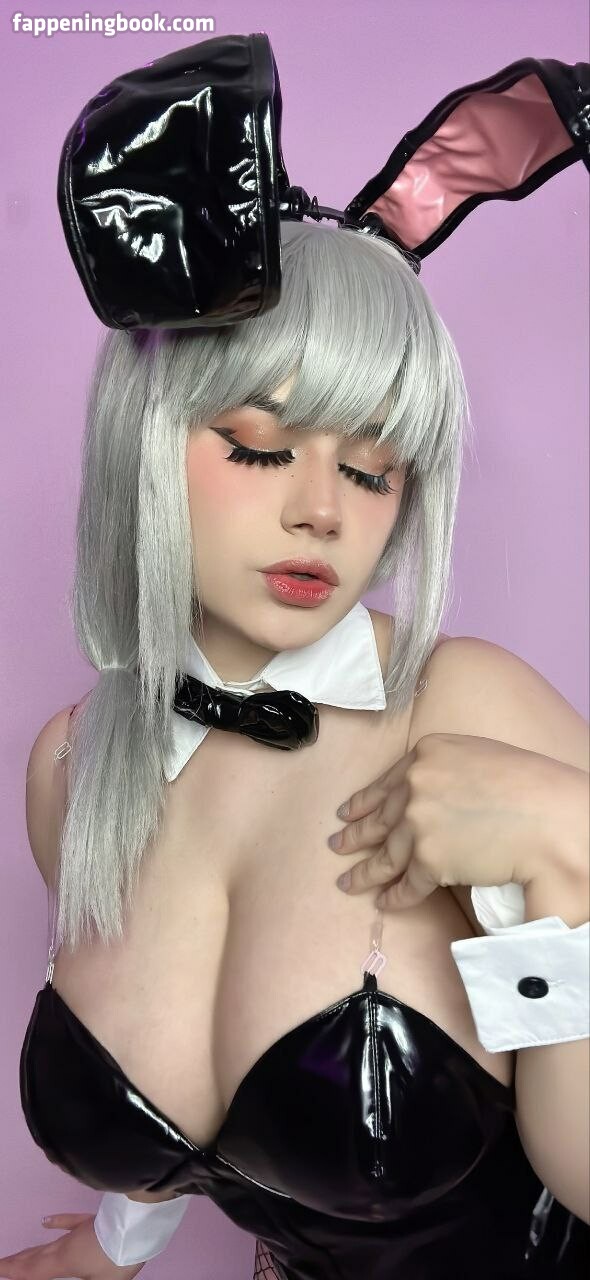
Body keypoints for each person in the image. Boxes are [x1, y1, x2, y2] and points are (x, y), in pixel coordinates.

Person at [4, 35, 589, 1280]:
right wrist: (110, 1248)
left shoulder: (463, 709)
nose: (323, 510)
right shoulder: (75, 763)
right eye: (260, 446)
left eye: (372, 468)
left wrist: (566, 854)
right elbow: (176, 1100)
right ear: (144, 439)